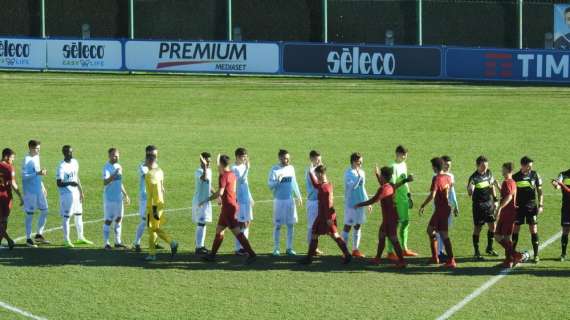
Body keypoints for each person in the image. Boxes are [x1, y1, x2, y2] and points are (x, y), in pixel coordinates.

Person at [202, 154, 256, 264]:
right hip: (230, 207)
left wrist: (207, 199)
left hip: (228, 210)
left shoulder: (223, 176)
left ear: (221, 164)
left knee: (237, 233)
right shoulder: (232, 174)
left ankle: (252, 254)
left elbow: (220, 193)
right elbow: (221, 169)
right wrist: (218, 159)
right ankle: (212, 255)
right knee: (219, 231)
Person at [355, 166, 413, 268]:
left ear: (384, 176)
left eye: (381, 174)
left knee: (393, 239)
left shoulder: (383, 189)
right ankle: (377, 259)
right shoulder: (390, 185)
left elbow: (373, 200)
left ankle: (402, 261)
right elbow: (396, 185)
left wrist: (360, 204)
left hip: (390, 219)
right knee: (381, 235)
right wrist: (406, 180)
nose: (380, 176)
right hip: (391, 218)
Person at [299, 164, 351, 265]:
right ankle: (309, 258)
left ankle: (347, 255)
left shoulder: (324, 188)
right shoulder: (327, 185)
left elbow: (327, 204)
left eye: (316, 174)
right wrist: (310, 172)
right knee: (315, 234)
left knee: (335, 235)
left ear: (320, 174)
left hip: (325, 217)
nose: (316, 177)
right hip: (324, 216)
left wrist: (328, 219)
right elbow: (315, 185)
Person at [419, 157, 457, 268]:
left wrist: (423, 205)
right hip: (445, 208)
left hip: (441, 209)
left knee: (442, 233)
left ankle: (450, 260)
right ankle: (436, 257)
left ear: (435, 167)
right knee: (431, 231)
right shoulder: (448, 177)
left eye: (432, 166)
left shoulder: (436, 179)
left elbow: (433, 195)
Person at [56, 145, 93, 248]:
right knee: (67, 217)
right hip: (66, 195)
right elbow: (59, 183)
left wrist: (81, 191)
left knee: (79, 215)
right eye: (68, 152)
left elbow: (76, 177)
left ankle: (80, 237)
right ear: (64, 153)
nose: (70, 154)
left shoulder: (75, 162)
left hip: (76, 194)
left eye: (71, 152)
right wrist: (70, 183)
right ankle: (66, 240)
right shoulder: (61, 166)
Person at [144, 153, 178, 261]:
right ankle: (152, 253)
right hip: (160, 204)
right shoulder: (160, 171)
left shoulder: (149, 174)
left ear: (149, 161)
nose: (144, 162)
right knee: (152, 229)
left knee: (153, 228)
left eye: (145, 160)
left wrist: (153, 208)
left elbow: (155, 191)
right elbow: (162, 187)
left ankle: (172, 243)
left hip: (154, 206)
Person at [268, 149, 302, 256]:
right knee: (278, 225)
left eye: (288, 158)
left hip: (289, 201)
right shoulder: (274, 169)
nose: (287, 160)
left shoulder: (291, 168)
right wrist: (277, 181)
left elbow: (294, 182)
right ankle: (276, 248)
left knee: (290, 225)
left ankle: (289, 248)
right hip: (279, 201)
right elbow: (270, 185)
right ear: (280, 158)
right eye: (284, 158)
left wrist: (298, 195)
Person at [386, 145, 417, 260]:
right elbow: (392, 186)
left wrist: (409, 195)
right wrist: (406, 180)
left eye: (406, 155)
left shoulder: (404, 165)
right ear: (397, 154)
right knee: (395, 225)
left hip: (404, 199)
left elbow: (406, 183)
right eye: (403, 154)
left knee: (405, 223)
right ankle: (389, 251)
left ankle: (404, 248)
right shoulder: (392, 167)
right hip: (397, 200)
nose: (405, 157)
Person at [467, 156, 499, 260]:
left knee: (493, 227)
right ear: (477, 165)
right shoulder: (473, 178)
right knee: (478, 228)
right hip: (478, 207)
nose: (485, 168)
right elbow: (469, 192)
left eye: (486, 166)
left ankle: (489, 248)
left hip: (489, 205)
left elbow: (492, 186)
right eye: (483, 166)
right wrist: (470, 190)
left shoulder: (489, 173)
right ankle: (476, 252)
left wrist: (495, 199)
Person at [512, 156, 543, 263]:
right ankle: (511, 254)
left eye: (531, 166)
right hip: (519, 208)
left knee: (533, 230)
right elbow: (511, 193)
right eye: (528, 166)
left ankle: (536, 255)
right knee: (515, 230)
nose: (530, 168)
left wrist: (541, 205)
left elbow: (540, 191)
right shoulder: (515, 177)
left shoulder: (535, 175)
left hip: (531, 207)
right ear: (523, 165)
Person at [494, 162, 524, 268]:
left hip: (507, 213)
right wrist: (498, 186)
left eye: (503, 169)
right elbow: (506, 194)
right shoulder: (512, 182)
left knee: (497, 236)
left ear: (507, 170)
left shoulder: (507, 182)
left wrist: (499, 208)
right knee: (507, 238)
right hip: (511, 213)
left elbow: (509, 197)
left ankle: (516, 255)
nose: (502, 171)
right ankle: (509, 261)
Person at [21, 140, 49, 247]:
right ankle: (28, 239)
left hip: (38, 190)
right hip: (30, 192)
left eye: (39, 148)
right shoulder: (26, 160)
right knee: (30, 214)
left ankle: (38, 235)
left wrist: (42, 186)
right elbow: (24, 177)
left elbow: (38, 171)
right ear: (31, 148)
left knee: (45, 211)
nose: (39, 150)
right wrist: (37, 173)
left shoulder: (37, 157)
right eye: (37, 149)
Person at [133, 145, 161, 252]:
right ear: (148, 153)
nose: (156, 156)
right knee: (145, 221)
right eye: (154, 154)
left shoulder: (155, 165)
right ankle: (136, 242)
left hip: (155, 197)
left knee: (155, 220)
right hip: (145, 198)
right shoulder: (142, 166)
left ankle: (154, 242)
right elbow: (150, 177)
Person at [343, 152, 370, 258]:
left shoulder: (362, 172)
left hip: (360, 203)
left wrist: (368, 202)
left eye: (361, 162)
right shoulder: (348, 174)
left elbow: (362, 187)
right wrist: (358, 177)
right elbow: (352, 187)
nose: (361, 164)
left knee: (358, 226)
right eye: (359, 162)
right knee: (347, 227)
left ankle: (355, 249)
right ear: (353, 162)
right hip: (351, 204)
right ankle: (344, 251)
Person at [102, 148, 131, 250]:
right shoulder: (106, 168)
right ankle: (106, 244)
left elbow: (120, 182)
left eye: (117, 155)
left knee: (119, 219)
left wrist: (125, 194)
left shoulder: (119, 166)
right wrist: (114, 174)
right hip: (109, 198)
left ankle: (117, 242)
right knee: (108, 220)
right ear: (109, 156)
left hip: (118, 198)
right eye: (114, 155)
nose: (116, 157)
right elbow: (105, 182)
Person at [231, 147, 255, 256]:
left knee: (247, 223)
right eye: (242, 157)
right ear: (237, 156)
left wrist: (250, 197)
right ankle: (238, 248)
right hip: (239, 199)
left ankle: (244, 246)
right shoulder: (234, 168)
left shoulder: (243, 166)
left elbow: (246, 183)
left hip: (246, 198)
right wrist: (247, 169)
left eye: (245, 156)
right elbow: (240, 181)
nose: (244, 159)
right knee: (240, 224)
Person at [437, 155, 459, 261]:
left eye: (449, 165)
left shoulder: (451, 176)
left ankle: (440, 252)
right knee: (439, 230)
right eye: (446, 164)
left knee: (445, 230)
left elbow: (452, 191)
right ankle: (438, 253)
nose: (448, 167)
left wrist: (456, 205)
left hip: (449, 208)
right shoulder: (437, 176)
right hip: (440, 208)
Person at [0, 148, 23, 250]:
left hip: (4, 198)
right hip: (5, 198)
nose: (13, 160)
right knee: (3, 221)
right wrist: (20, 196)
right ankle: (9, 240)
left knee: (3, 222)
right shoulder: (9, 168)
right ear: (6, 156)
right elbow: (13, 184)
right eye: (12, 158)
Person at [192, 152, 214, 255]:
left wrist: (217, 195)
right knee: (201, 224)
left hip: (206, 201)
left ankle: (201, 245)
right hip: (199, 201)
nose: (208, 164)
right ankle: (198, 247)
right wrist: (204, 167)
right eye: (207, 162)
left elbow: (209, 183)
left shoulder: (209, 170)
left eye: (209, 162)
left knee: (203, 223)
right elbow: (204, 178)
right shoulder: (198, 171)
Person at [304, 150, 323, 255]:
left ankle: (315, 248)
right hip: (313, 201)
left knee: (317, 226)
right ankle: (311, 249)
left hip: (319, 201)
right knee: (312, 226)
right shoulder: (310, 171)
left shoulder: (318, 169)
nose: (319, 161)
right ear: (311, 159)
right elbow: (317, 184)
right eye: (317, 159)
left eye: (320, 159)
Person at [553, 169, 570, 261]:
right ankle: (563, 254)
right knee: (565, 230)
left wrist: (561, 184)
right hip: (566, 208)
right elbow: (557, 186)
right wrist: (556, 184)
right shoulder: (563, 174)